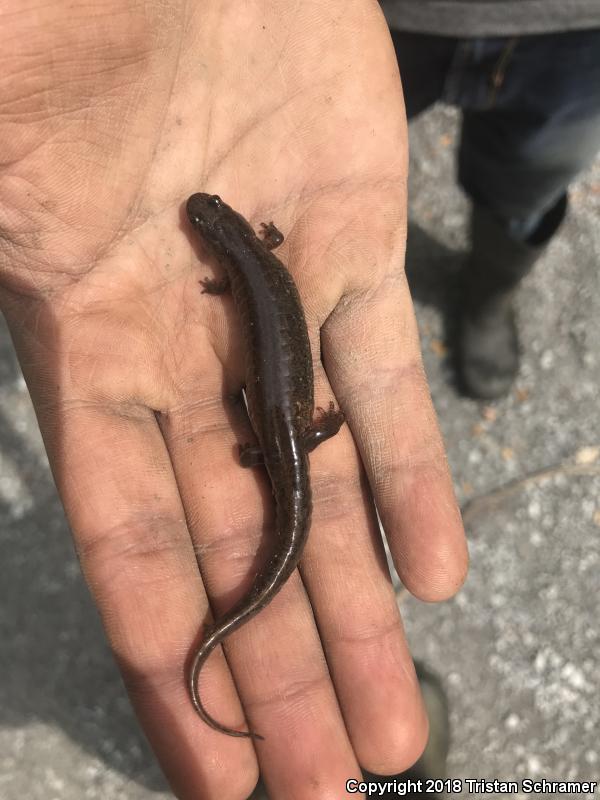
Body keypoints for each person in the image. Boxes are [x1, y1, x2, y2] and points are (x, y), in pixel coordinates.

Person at [0, 3, 468, 799]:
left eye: (211, 225)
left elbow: (240, 289)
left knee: (282, 480)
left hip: (286, 421)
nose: (207, 225)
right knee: (277, 473)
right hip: (283, 419)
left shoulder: (237, 264)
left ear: (223, 239)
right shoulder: (255, 250)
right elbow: (253, 272)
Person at [382, 0, 600, 398]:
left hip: (582, 31)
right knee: (330, 168)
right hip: (375, 14)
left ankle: (489, 295)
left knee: (526, 190)